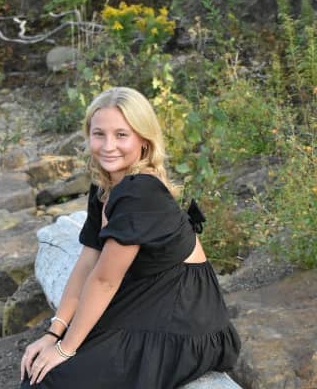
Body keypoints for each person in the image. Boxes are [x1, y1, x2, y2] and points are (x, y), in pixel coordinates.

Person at [20, 87, 241, 388]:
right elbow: (88, 263)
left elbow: (104, 281)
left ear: (144, 140)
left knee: (52, 380)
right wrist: (54, 332)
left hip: (184, 322)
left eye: (121, 135)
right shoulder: (105, 186)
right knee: (39, 371)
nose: (108, 146)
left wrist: (64, 349)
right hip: (145, 299)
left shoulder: (140, 192)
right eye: (99, 134)